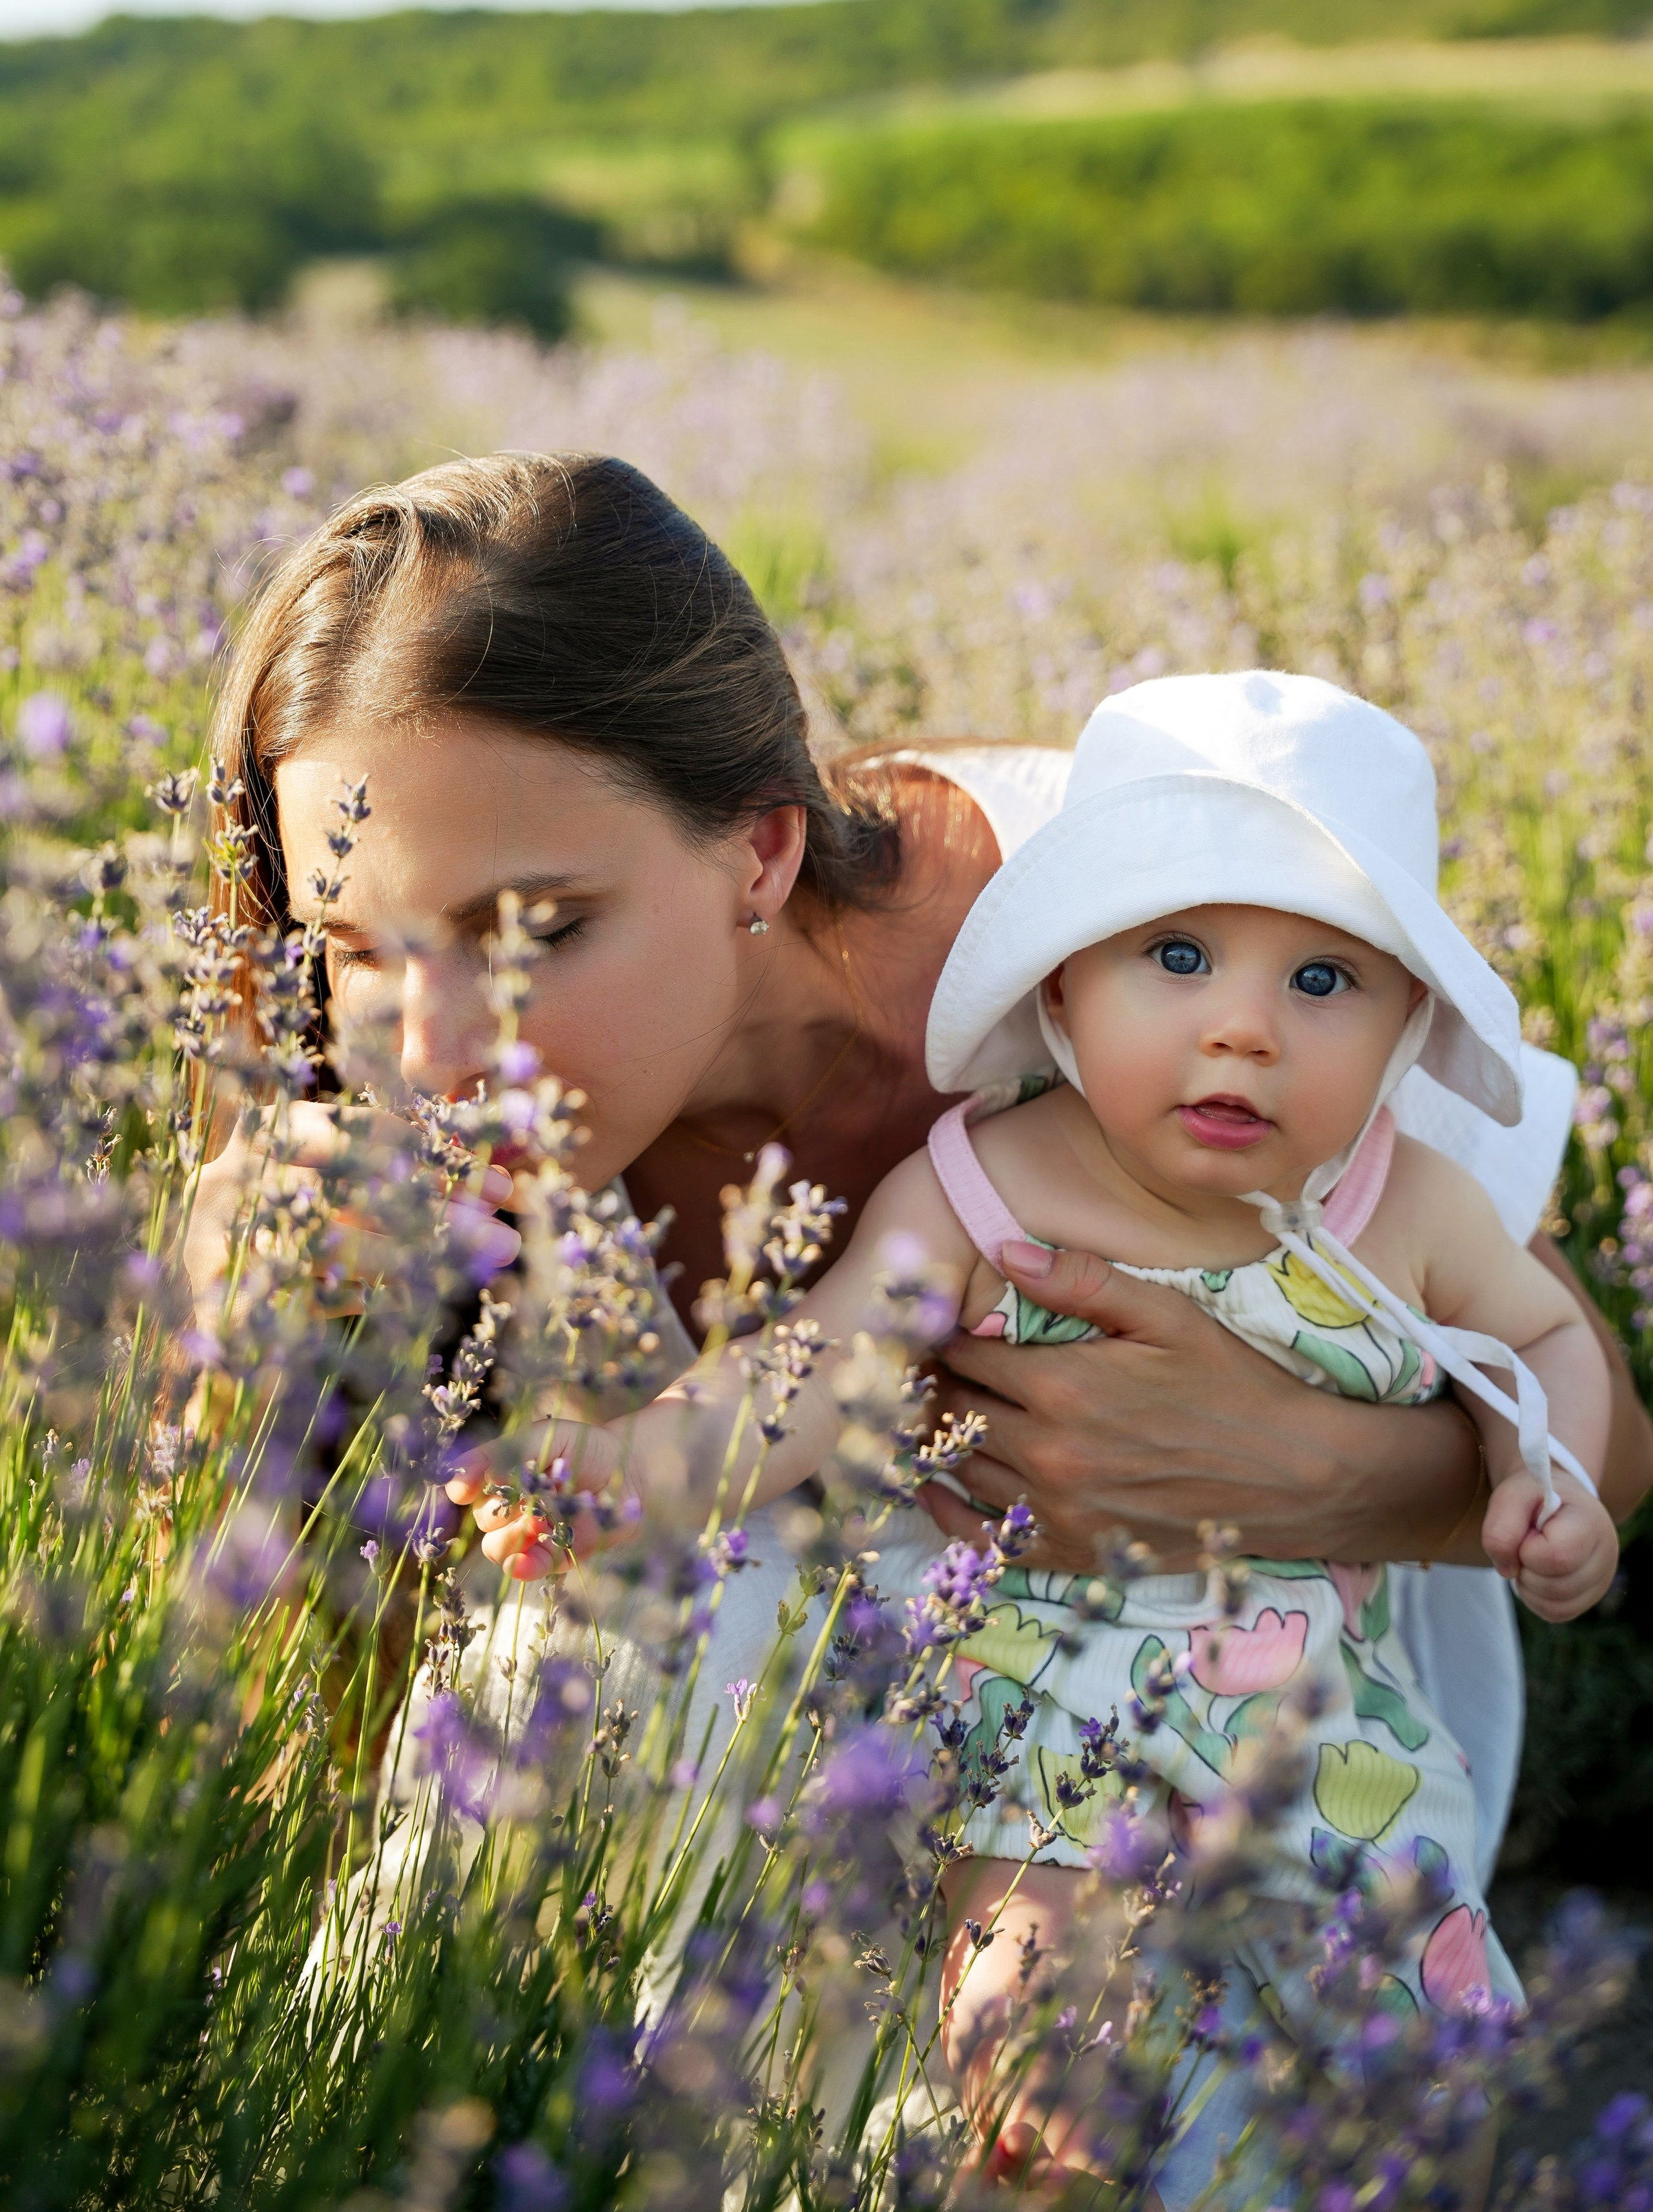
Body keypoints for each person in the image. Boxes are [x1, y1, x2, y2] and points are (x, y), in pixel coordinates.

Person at [189, 455, 1652, 2187]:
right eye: (360, 948)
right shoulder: (417, 1163)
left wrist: (1318, 1474)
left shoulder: (1146, 928)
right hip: (894, 1764)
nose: (440, 1043)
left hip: (1270, 1705)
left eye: (538, 931)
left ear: (762, 849)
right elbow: (450, 1618)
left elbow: (1600, 1432)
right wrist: (245, 1331)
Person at [476, 670, 1617, 2180]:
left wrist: (1552, 1478)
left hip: (1323, 1716)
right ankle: (1031, 2105)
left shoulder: (1400, 1204)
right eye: (1179, 955)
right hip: (1043, 1685)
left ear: (1406, 1026)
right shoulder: (986, 1182)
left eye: (1323, 982)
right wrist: (629, 1471)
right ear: (1066, 986)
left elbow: (1538, 1340)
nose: (1243, 1031)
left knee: (1375, 2031)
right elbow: (805, 1370)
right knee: (1034, 1964)